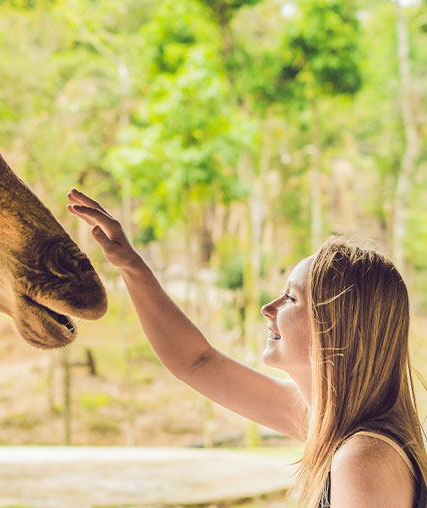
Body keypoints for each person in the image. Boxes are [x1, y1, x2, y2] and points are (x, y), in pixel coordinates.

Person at [67, 188, 427, 508]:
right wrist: (131, 267)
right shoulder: (329, 422)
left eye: (290, 298)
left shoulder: (363, 457)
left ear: (336, 326)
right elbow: (197, 362)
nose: (267, 309)